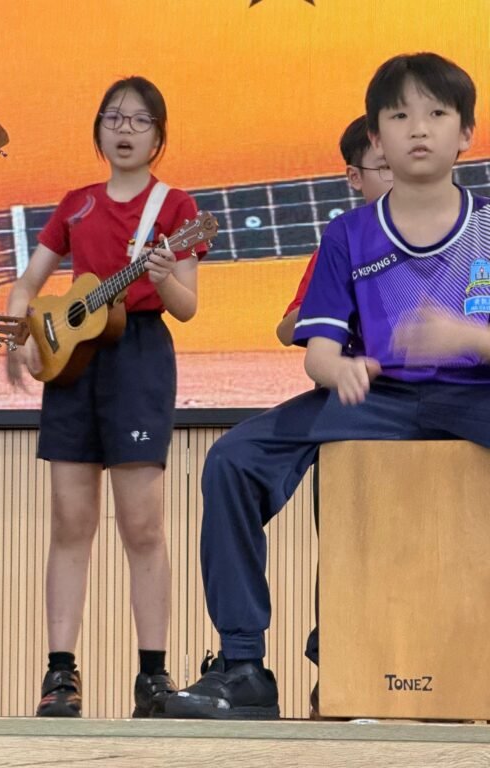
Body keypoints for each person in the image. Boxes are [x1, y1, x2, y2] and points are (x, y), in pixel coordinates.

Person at [167, 51, 488, 720]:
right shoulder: (349, 232)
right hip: (376, 400)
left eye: (436, 113)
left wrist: (466, 337)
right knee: (232, 460)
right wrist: (338, 368)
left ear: (465, 132)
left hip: (476, 395)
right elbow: (317, 351)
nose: (418, 128)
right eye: (399, 115)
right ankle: (244, 666)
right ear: (377, 137)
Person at [6, 76, 206, 718]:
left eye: (140, 120)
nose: (125, 129)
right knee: (70, 520)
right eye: (114, 117)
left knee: (142, 525)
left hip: (139, 356)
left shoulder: (176, 207)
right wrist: (24, 331)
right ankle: (60, 673)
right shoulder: (77, 204)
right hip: (73, 361)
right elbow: (29, 282)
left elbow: (187, 306)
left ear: (159, 135)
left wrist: (163, 276)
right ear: (97, 128)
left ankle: (153, 675)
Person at [276, 116, 393, 346]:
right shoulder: (342, 247)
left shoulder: (462, 237)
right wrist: (341, 293)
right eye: (387, 167)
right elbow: (286, 333)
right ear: (355, 177)